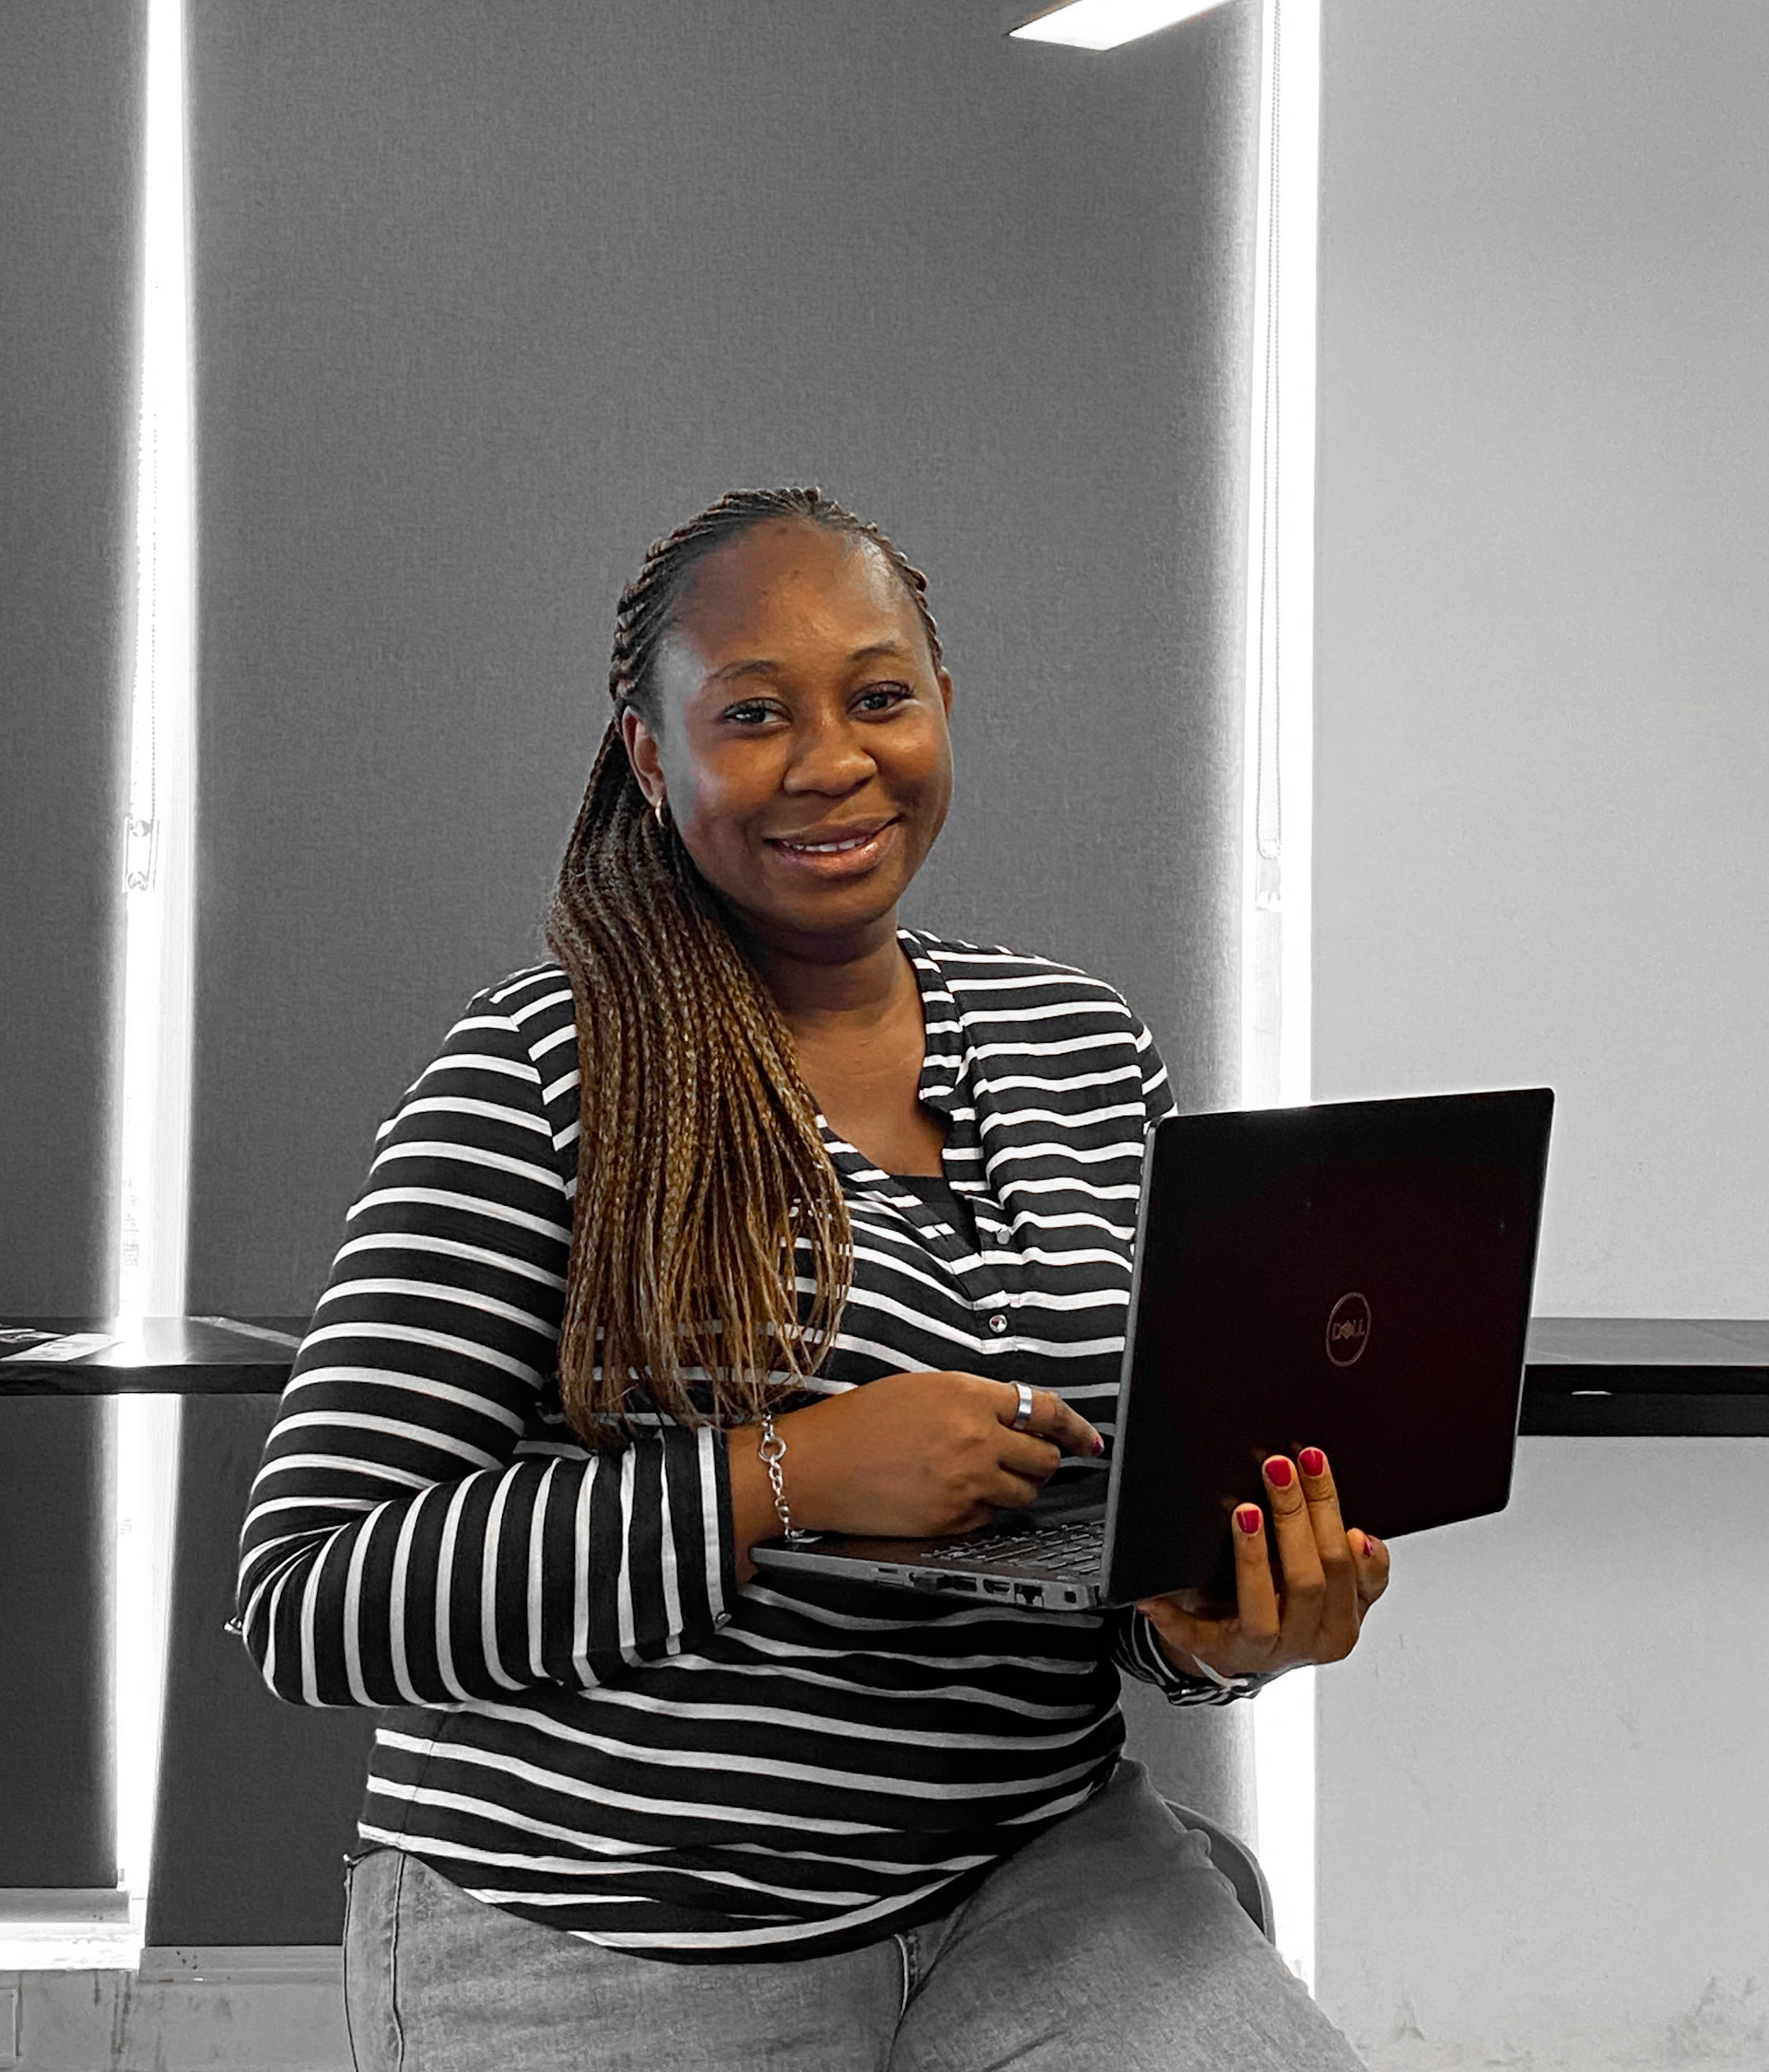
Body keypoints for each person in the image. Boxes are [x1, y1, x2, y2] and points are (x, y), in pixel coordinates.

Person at [236, 486, 1389, 2071]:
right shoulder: (538, 1075)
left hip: (1031, 1878)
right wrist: (782, 1476)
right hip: (610, 1919)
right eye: (756, 713)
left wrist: (1213, 1632)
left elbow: (1107, 1547)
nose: (833, 760)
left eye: (880, 695)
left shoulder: (1086, 1049)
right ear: (655, 759)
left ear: (943, 709)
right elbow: (316, 1600)